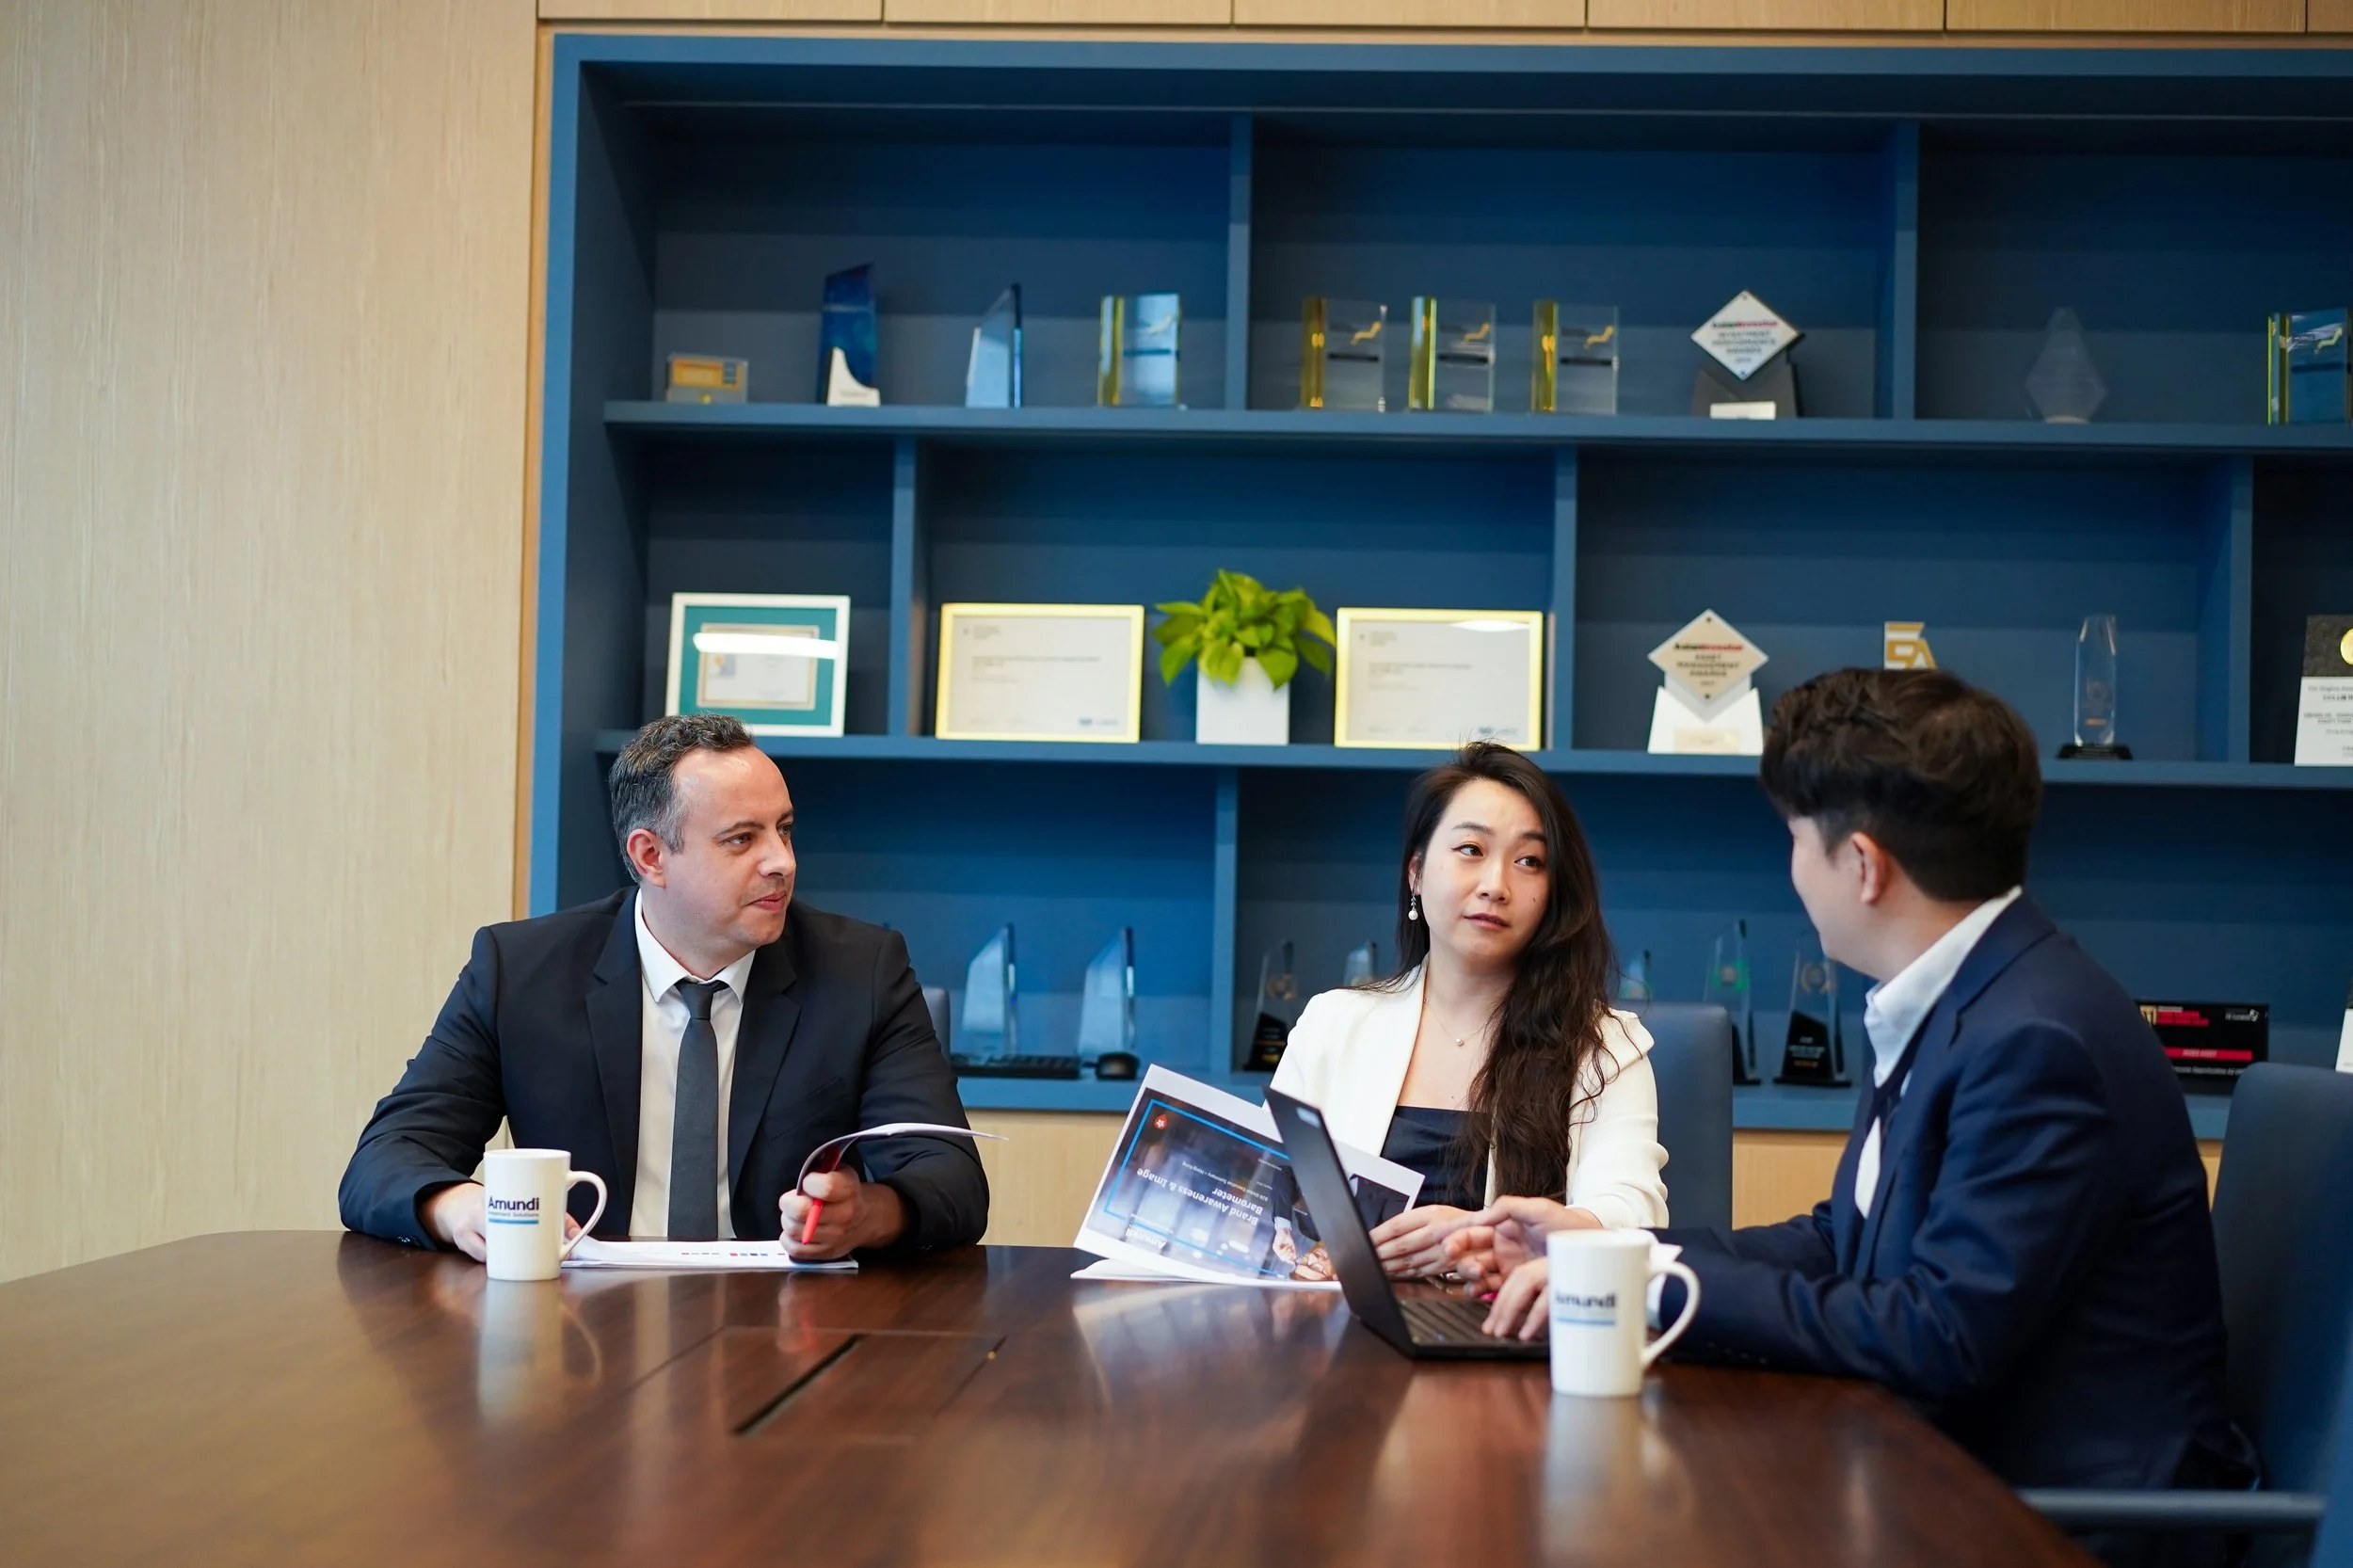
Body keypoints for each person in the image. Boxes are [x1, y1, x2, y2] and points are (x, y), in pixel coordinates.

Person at [1462, 670, 2246, 1510]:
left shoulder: (2037, 1042)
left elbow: (1940, 1339)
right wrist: (1608, 1257)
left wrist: (1650, 1282)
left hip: (2054, 1518)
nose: (1794, 870)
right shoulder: (1958, 993)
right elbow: (1852, 1238)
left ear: (1864, 866)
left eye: (1798, 840)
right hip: (1932, 1466)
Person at [339, 714, 987, 1261]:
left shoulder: (860, 970)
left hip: (785, 1330)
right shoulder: (522, 971)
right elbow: (387, 1158)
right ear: (651, 856)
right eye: (742, 839)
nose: (781, 862)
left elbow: (952, 1180)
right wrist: (460, 1207)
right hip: (579, 1330)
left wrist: (869, 1213)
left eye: (784, 830)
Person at [1269, 743, 1668, 1280]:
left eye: (1529, 861)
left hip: (1513, 1335)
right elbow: (1270, 1197)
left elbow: (1633, 1213)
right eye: (1471, 849)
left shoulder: (1605, 1046)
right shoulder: (1332, 1025)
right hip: (1343, 1329)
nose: (1496, 885)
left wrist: (1487, 1240)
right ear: (1416, 872)